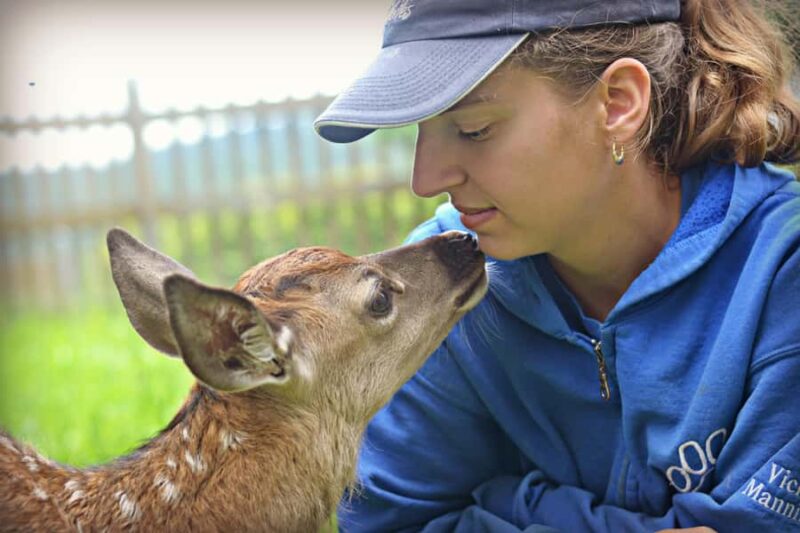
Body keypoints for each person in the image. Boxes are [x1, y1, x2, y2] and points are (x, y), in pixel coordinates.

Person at [314, 0, 800, 531]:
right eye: (421, 131)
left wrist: (512, 504)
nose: (425, 180)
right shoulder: (438, 288)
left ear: (617, 103)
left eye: (473, 129)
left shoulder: (782, 272)